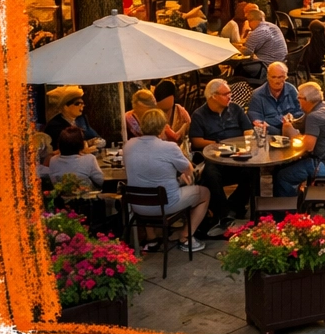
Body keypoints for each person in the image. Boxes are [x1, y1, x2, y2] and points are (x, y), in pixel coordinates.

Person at [125, 108, 210, 250]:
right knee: (205, 193)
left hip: (137, 205)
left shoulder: (129, 145)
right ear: (164, 127)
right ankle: (185, 237)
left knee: (147, 184)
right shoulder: (169, 147)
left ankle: (152, 239)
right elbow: (189, 170)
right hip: (165, 204)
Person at [187, 78, 256, 228]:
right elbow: (196, 141)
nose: (230, 96)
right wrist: (218, 144)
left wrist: (247, 138)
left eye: (230, 92)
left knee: (253, 170)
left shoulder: (235, 109)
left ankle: (234, 205)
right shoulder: (199, 115)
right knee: (210, 173)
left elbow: (248, 129)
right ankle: (223, 212)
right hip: (215, 157)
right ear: (213, 96)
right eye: (225, 94)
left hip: (238, 154)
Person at [275, 83, 325, 197]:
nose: (297, 101)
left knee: (283, 176)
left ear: (306, 100)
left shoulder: (314, 116)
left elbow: (308, 146)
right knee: (283, 167)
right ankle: (296, 199)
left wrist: (292, 133)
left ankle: (288, 210)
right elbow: (300, 124)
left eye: (299, 98)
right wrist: (290, 123)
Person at [249, 62, 303, 132]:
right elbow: (257, 119)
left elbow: (301, 111)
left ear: (286, 77)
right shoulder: (257, 94)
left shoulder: (291, 89)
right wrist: (281, 119)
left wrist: (292, 117)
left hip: (292, 128)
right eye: (273, 77)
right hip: (270, 131)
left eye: (280, 77)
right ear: (268, 77)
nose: (276, 81)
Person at [236, 7, 287, 81]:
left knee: (239, 65)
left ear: (251, 20)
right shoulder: (273, 26)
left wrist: (237, 48)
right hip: (281, 60)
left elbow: (247, 52)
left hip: (266, 65)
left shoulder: (258, 32)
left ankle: (241, 85)